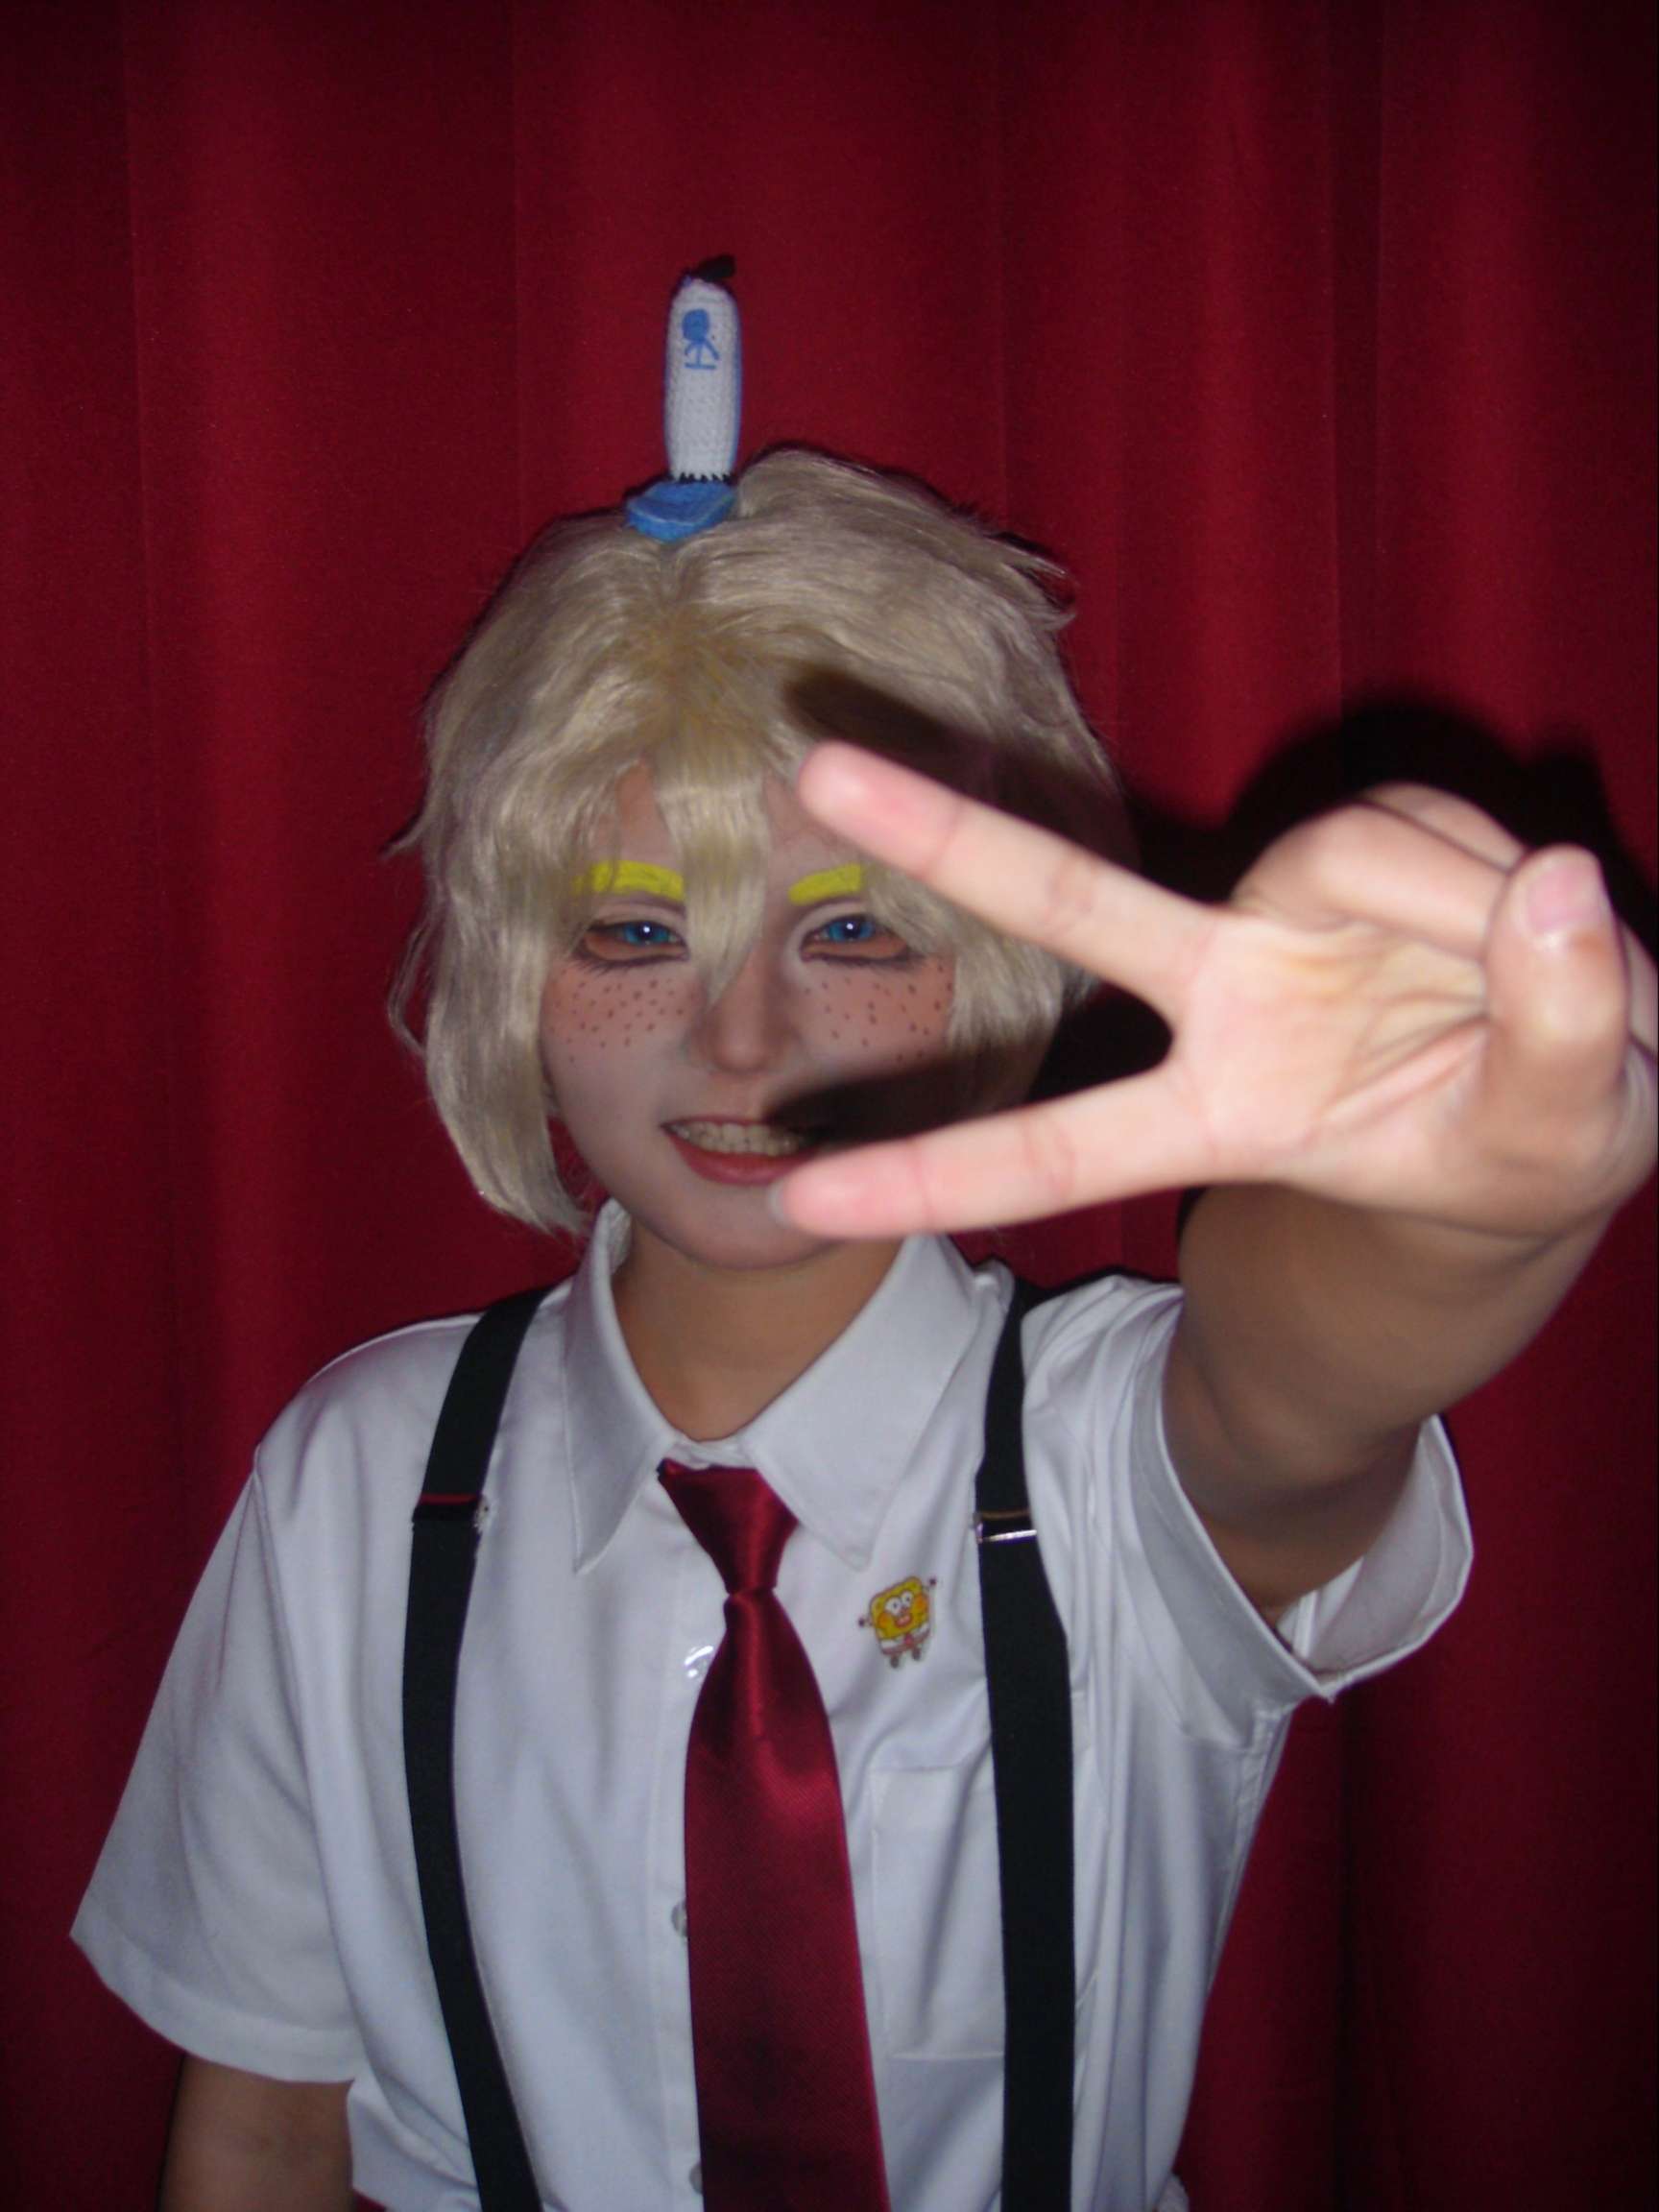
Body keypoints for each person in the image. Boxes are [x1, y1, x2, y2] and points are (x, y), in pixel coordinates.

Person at [72, 425, 1656, 2211]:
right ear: (515, 974)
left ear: (983, 963)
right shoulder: (359, 1490)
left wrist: (1450, 1214)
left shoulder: (1100, 1456)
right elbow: (265, 2121)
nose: (744, 1041)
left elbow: (1300, 1403)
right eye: (635, 935)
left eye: (848, 935)